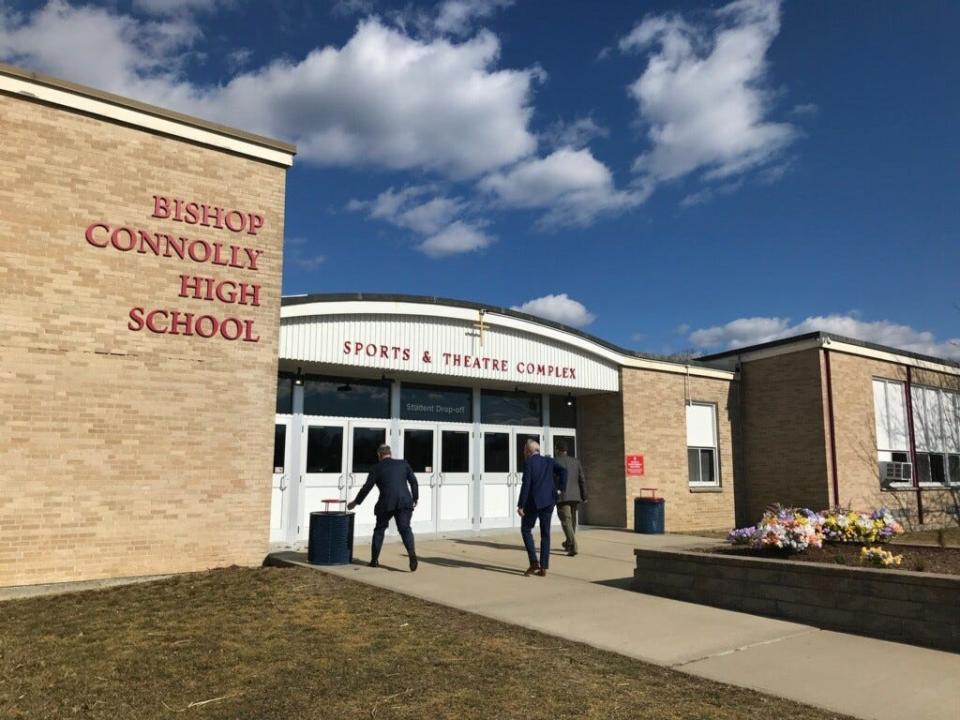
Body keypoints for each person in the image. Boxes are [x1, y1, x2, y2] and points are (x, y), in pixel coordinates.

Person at [347, 444, 419, 572]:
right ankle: (412, 554)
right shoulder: (403, 464)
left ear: (379, 455)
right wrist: (415, 497)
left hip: (386, 503)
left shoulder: (376, 468)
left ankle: (374, 560)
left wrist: (356, 502)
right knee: (405, 528)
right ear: (390, 453)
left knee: (379, 530)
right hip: (404, 501)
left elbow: (367, 487)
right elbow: (413, 481)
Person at [517, 439, 567, 577]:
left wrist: (521, 504)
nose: (524, 452)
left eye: (524, 450)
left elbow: (526, 485)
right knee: (546, 533)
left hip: (533, 503)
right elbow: (563, 471)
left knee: (526, 529)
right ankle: (543, 566)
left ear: (528, 451)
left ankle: (534, 562)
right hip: (549, 502)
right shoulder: (548, 461)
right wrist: (560, 489)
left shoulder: (528, 463)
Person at [554, 441, 588, 556]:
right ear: (566, 450)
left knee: (566, 521)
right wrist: (584, 496)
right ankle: (568, 543)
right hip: (575, 496)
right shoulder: (575, 461)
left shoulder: (555, 461)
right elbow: (582, 479)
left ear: (557, 449)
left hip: (562, 496)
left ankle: (573, 546)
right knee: (572, 520)